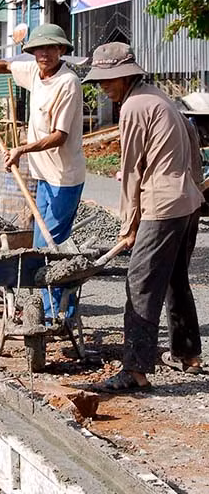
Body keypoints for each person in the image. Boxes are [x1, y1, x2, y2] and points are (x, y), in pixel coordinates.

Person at [84, 43, 204, 392]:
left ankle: (135, 371)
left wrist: (129, 225)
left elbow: (131, 171)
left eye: (108, 80)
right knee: (174, 279)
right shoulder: (159, 97)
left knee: (140, 282)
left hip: (162, 206)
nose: (103, 87)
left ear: (126, 76)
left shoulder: (135, 106)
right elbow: (193, 145)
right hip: (186, 201)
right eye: (100, 81)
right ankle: (187, 354)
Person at [0, 24, 85, 324]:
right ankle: (57, 305)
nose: (44, 54)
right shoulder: (36, 72)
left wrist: (21, 150)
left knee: (49, 246)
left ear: (61, 50)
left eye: (51, 48)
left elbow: (59, 136)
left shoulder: (68, 83)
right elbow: (4, 65)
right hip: (44, 176)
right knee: (43, 241)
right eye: (40, 49)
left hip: (64, 178)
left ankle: (56, 313)